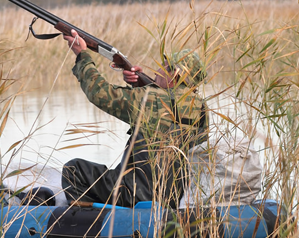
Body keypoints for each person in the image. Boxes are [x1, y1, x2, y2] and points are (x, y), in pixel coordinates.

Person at [61, 29, 208, 208]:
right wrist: (139, 85)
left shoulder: (150, 98)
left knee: (74, 170)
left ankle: (86, 227)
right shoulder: (201, 108)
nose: (158, 71)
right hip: (174, 196)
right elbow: (169, 109)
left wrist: (82, 55)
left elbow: (99, 93)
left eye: (163, 66)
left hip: (136, 194)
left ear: (175, 74)